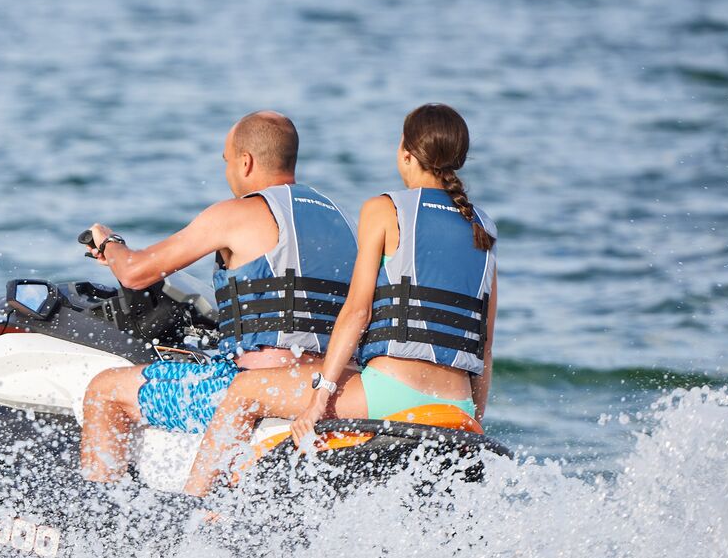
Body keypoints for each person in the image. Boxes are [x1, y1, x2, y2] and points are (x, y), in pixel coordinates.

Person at [182, 103, 497, 497]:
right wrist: (472, 421)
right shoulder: (482, 228)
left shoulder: (385, 210)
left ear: (405, 152)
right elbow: (484, 344)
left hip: (388, 395)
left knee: (243, 393)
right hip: (458, 408)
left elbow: (356, 311)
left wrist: (320, 397)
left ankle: (197, 508)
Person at [79, 111, 358, 482]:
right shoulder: (344, 219)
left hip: (259, 384)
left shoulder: (239, 214)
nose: (227, 172)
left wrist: (110, 244)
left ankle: (103, 512)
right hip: (329, 385)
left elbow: (134, 271)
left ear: (246, 162)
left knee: (105, 390)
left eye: (227, 161)